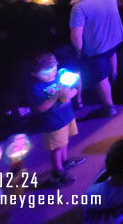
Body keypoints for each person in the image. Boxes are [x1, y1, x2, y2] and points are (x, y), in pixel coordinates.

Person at [69, 0, 123, 117]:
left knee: (100, 77)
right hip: (116, 39)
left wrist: (79, 51)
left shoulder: (78, 8)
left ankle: (109, 106)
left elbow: (76, 36)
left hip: (98, 48)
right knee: (111, 54)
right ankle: (115, 75)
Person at [29, 53, 84, 187]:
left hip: (66, 117)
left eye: (53, 70)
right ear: (34, 74)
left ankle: (64, 161)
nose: (51, 75)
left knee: (64, 142)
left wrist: (72, 92)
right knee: (57, 148)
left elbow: (71, 92)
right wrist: (56, 97)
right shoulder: (37, 89)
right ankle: (58, 170)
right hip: (53, 123)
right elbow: (41, 108)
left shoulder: (59, 78)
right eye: (46, 74)